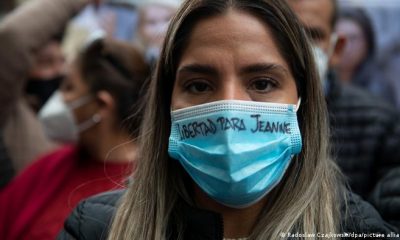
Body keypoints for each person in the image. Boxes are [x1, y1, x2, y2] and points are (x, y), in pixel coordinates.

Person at [59, 1, 398, 239]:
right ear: (167, 103)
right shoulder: (96, 228)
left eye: (262, 83)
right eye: (199, 85)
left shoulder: (356, 228)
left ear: (301, 101)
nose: (230, 108)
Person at [0, 38, 150, 240]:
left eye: (69, 87)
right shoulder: (53, 164)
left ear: (101, 105)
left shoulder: (143, 188)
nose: (60, 98)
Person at [286, 0, 400, 228]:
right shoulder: (238, 116)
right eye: (283, 34)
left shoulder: (382, 125)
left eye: (312, 35)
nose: (297, 48)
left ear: (336, 49)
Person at [0, 0, 90, 176]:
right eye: (46, 62)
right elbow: (14, 37)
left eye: (62, 61)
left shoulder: (81, 115)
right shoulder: (10, 111)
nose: (60, 71)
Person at [335, 8, 396, 105]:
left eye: (353, 39)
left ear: (367, 43)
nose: (346, 47)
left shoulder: (379, 88)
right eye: (340, 38)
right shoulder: (322, 82)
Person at [134, 0, 182, 65]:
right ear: (140, 28)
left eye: (168, 19)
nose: (161, 29)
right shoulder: (136, 60)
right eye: (151, 22)